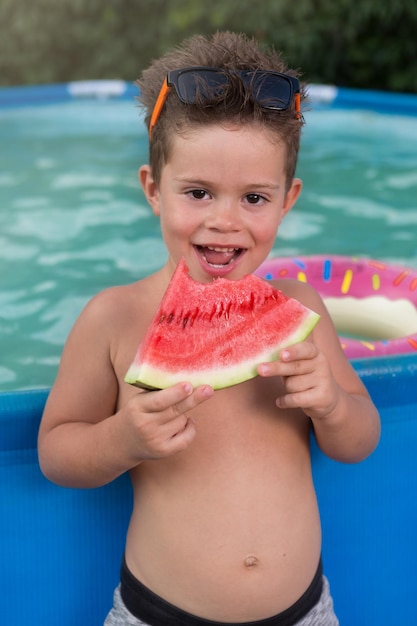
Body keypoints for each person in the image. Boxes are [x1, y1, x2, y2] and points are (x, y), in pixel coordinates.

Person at [38, 31, 380, 626]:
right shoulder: (112, 318)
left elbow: (360, 439)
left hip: (304, 612)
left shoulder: (300, 310)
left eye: (254, 197)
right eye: (197, 192)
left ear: (287, 200)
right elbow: (56, 451)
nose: (224, 221)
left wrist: (332, 407)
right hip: (158, 614)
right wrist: (121, 440)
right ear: (153, 189)